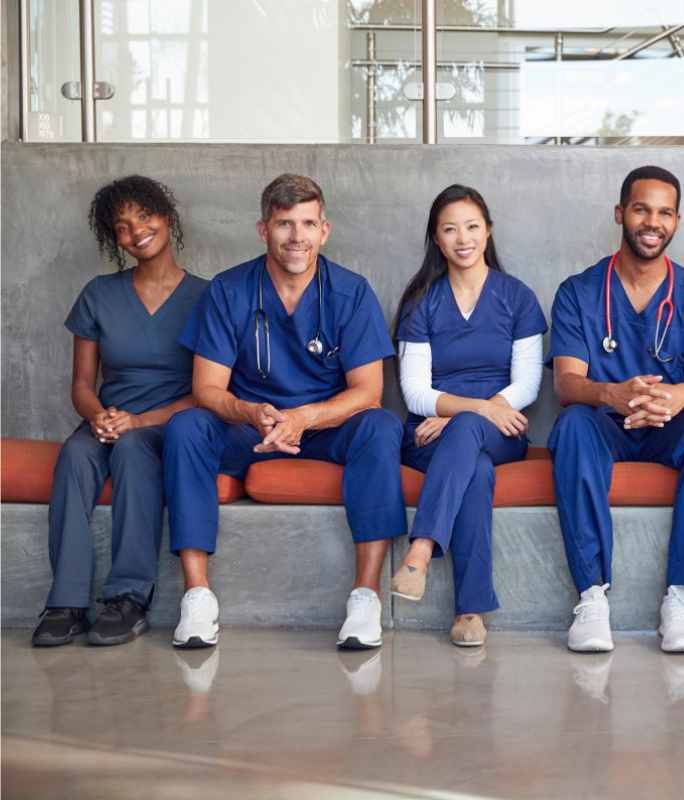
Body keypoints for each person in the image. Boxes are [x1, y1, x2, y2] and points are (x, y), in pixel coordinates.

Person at [163, 174, 405, 650]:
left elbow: (368, 391)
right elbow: (206, 387)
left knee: (379, 425)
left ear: (325, 230)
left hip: (323, 427)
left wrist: (305, 417)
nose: (297, 236)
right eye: (284, 224)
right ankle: (197, 596)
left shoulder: (351, 292)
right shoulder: (229, 290)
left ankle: (365, 597)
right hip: (250, 425)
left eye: (307, 224)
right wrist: (249, 410)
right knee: (187, 425)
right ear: (263, 229)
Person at [547, 165, 684, 654]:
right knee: (571, 424)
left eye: (664, 213)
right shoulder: (579, 292)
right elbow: (567, 383)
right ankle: (591, 597)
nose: (652, 222)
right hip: (604, 424)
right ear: (620, 213)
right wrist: (612, 394)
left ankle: (680, 599)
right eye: (641, 209)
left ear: (677, 221)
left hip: (670, 428)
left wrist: (680, 397)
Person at [33, 175, 208, 647]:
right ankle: (65, 602)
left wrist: (139, 422)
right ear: (115, 239)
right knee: (73, 456)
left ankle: (128, 598)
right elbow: (82, 384)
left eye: (145, 217)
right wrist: (98, 416)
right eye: (123, 226)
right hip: (107, 417)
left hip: (169, 422)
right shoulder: (98, 293)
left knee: (133, 450)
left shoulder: (206, 297)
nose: (137, 232)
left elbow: (209, 391)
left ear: (166, 218)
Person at [392, 185, 547, 647]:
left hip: (503, 430)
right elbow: (415, 393)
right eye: (450, 229)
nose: (463, 238)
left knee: (470, 436)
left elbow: (527, 386)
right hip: (431, 433)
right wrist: (471, 409)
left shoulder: (516, 297)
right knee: (474, 471)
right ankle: (470, 612)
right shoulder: (421, 302)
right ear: (436, 239)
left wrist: (470, 414)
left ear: (489, 232)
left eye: (473, 226)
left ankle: (420, 548)